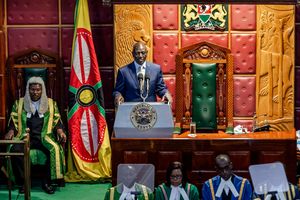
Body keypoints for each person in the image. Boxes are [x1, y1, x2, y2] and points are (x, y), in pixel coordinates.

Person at [5, 76, 66, 194]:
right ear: (28, 90)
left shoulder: (50, 104)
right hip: (25, 136)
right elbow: (13, 119)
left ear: (42, 90)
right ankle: (24, 182)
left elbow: (57, 120)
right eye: (32, 90)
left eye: (38, 90)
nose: (35, 92)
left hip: (44, 136)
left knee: (54, 149)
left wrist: (60, 130)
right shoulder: (19, 103)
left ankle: (46, 182)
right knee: (15, 150)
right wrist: (11, 130)